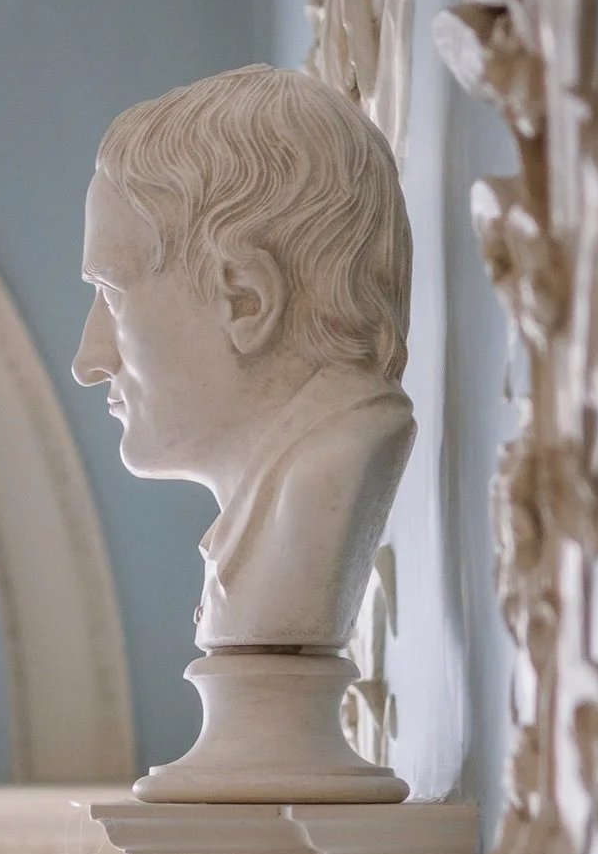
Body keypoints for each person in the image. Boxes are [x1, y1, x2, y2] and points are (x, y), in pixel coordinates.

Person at [73, 64, 416, 651]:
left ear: (246, 300)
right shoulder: (286, 497)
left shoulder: (326, 475)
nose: (89, 362)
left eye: (112, 294)